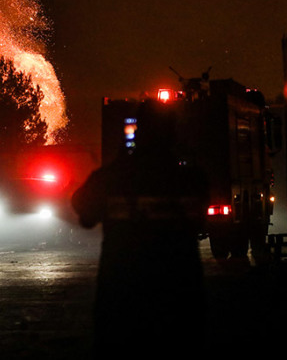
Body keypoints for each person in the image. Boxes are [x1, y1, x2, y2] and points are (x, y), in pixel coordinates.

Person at [72, 100, 209, 357]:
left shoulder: (111, 178)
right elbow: (199, 222)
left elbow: (85, 214)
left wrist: (119, 162)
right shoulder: (192, 180)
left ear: (139, 130)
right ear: (173, 132)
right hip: (179, 301)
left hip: (122, 299)